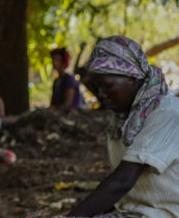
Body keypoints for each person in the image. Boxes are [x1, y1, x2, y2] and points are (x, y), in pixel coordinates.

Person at [63, 36, 178, 218]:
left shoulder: (165, 113)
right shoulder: (124, 118)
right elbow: (126, 190)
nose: (101, 94)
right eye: (97, 88)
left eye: (107, 86)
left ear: (132, 78)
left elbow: (123, 181)